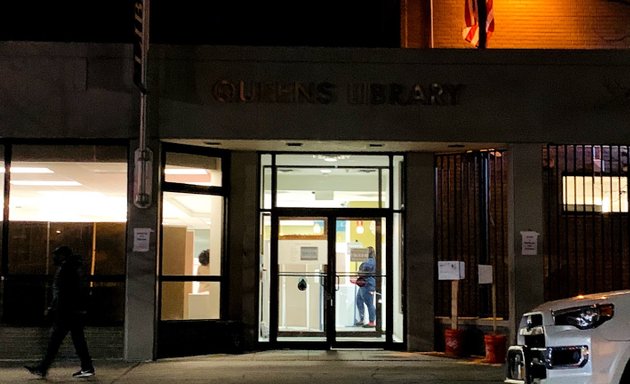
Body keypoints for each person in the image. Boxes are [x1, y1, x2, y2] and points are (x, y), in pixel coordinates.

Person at [25, 246, 95, 378]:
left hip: (66, 312)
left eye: (57, 255)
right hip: (75, 311)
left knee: (55, 341)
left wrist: (53, 308)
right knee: (77, 340)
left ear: (63, 256)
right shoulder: (76, 268)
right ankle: (87, 367)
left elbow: (63, 292)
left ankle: (43, 368)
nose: (54, 258)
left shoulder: (66, 269)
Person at [355, 246, 377, 328]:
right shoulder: (371, 261)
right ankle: (362, 319)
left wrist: (359, 272)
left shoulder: (369, 262)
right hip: (364, 284)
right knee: (359, 301)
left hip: (367, 285)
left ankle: (372, 322)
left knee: (369, 304)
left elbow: (363, 272)